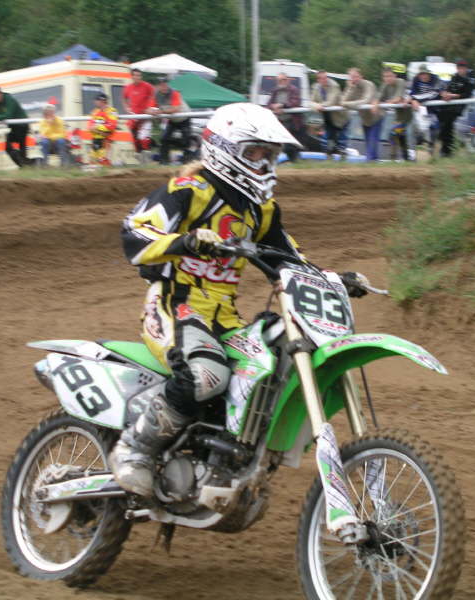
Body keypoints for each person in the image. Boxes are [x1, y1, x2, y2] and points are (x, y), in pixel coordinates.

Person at [112, 103, 305, 497]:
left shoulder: (261, 210)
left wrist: (331, 279)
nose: (264, 164)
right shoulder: (190, 191)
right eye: (255, 153)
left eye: (270, 155)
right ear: (224, 148)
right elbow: (135, 231)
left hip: (224, 319)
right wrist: (185, 242)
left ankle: (219, 457)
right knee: (205, 375)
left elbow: (288, 259)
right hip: (174, 306)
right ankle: (134, 449)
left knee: (271, 363)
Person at [148, 77, 193, 165]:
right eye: (162, 85)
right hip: (172, 120)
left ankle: (187, 161)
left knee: (186, 139)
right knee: (164, 139)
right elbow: (149, 109)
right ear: (158, 86)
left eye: (165, 85)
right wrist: (152, 111)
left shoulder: (174, 93)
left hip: (184, 118)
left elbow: (175, 109)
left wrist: (160, 111)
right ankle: (164, 161)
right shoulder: (156, 95)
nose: (164, 87)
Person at [0, 85, 30, 167]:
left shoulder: (9, 99)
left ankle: (24, 163)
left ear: (0, 93)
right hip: (14, 127)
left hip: (22, 125)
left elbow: (8, 115)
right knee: (7, 147)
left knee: (21, 147)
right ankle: (23, 163)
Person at [341, 68, 380, 161]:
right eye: (351, 77)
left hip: (376, 117)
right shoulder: (352, 88)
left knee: (372, 144)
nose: (354, 79)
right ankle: (373, 163)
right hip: (365, 119)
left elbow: (366, 100)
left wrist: (347, 104)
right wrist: (350, 88)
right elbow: (342, 101)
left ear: (361, 76)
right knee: (368, 144)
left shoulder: (369, 84)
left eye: (356, 76)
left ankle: (370, 162)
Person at [438, 59, 475, 157]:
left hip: (459, 106)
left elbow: (467, 94)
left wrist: (452, 96)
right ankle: (446, 150)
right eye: (459, 68)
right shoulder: (454, 77)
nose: (461, 70)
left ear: (466, 68)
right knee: (444, 126)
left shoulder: (470, 78)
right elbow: (448, 88)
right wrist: (445, 94)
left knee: (447, 125)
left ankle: (447, 150)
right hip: (449, 106)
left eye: (463, 68)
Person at [373, 67, 411, 161]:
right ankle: (406, 158)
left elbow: (398, 98)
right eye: (385, 76)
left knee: (394, 133)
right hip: (398, 114)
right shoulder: (385, 85)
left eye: (389, 76)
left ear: (394, 76)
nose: (387, 78)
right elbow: (377, 97)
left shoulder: (400, 82)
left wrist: (387, 102)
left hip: (407, 113)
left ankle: (393, 157)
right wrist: (375, 104)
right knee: (400, 135)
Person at [266, 73, 304, 162]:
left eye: (283, 79)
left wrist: (282, 105)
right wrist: (273, 107)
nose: (281, 82)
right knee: (281, 144)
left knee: (290, 145)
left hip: (292, 121)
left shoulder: (294, 89)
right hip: (280, 121)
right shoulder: (275, 90)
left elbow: (295, 102)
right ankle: (292, 161)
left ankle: (295, 161)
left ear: (288, 80)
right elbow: (268, 104)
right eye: (279, 80)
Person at [311, 70, 348, 159]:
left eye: (326, 77)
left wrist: (320, 105)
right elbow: (311, 102)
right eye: (322, 78)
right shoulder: (316, 87)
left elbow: (331, 101)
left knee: (341, 145)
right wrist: (316, 105)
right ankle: (329, 158)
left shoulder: (334, 85)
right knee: (329, 143)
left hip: (340, 117)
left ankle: (343, 159)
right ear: (318, 80)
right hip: (327, 117)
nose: (325, 80)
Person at [409, 65, 445, 154]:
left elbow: (433, 94)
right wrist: (413, 99)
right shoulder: (415, 79)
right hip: (422, 109)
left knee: (435, 128)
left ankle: (431, 147)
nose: (423, 76)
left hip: (435, 109)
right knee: (420, 131)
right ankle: (420, 149)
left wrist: (414, 99)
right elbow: (412, 93)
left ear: (429, 73)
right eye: (421, 74)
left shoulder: (436, 79)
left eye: (425, 74)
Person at [123, 69, 155, 163]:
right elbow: (124, 99)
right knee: (135, 140)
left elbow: (153, 96)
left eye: (139, 75)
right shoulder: (128, 88)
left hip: (145, 115)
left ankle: (147, 159)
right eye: (135, 75)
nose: (137, 77)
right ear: (132, 76)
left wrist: (151, 107)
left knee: (144, 138)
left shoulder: (147, 86)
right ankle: (141, 160)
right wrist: (127, 108)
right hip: (134, 117)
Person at [87, 93, 119, 167]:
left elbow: (112, 126)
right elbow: (90, 127)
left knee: (104, 162)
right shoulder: (95, 111)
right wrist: (99, 129)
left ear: (102, 101)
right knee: (93, 161)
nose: (95, 102)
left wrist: (97, 127)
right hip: (95, 139)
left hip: (106, 140)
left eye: (96, 100)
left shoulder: (112, 111)